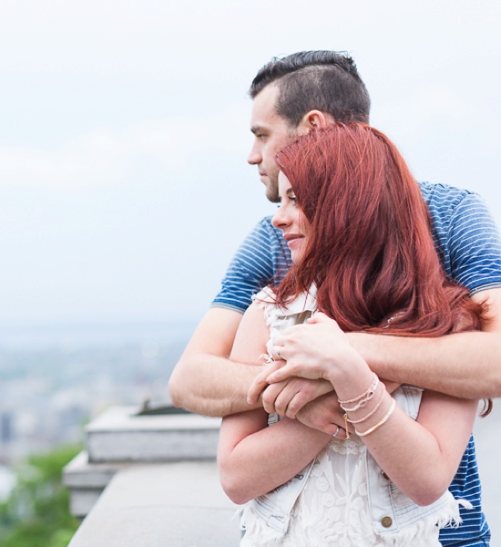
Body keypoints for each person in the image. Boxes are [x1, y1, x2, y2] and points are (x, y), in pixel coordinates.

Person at [168, 51, 501, 545]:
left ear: (313, 126)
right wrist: (311, 389)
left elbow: (493, 360)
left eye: (261, 134)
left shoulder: (451, 215)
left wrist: (349, 359)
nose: (253, 155)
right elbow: (192, 379)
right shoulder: (272, 245)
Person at [218, 123, 485, 546]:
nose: (278, 217)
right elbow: (235, 477)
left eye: (296, 199)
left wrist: (347, 368)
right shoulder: (267, 313)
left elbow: (428, 479)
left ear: (350, 206)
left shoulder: (446, 323)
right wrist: (329, 401)